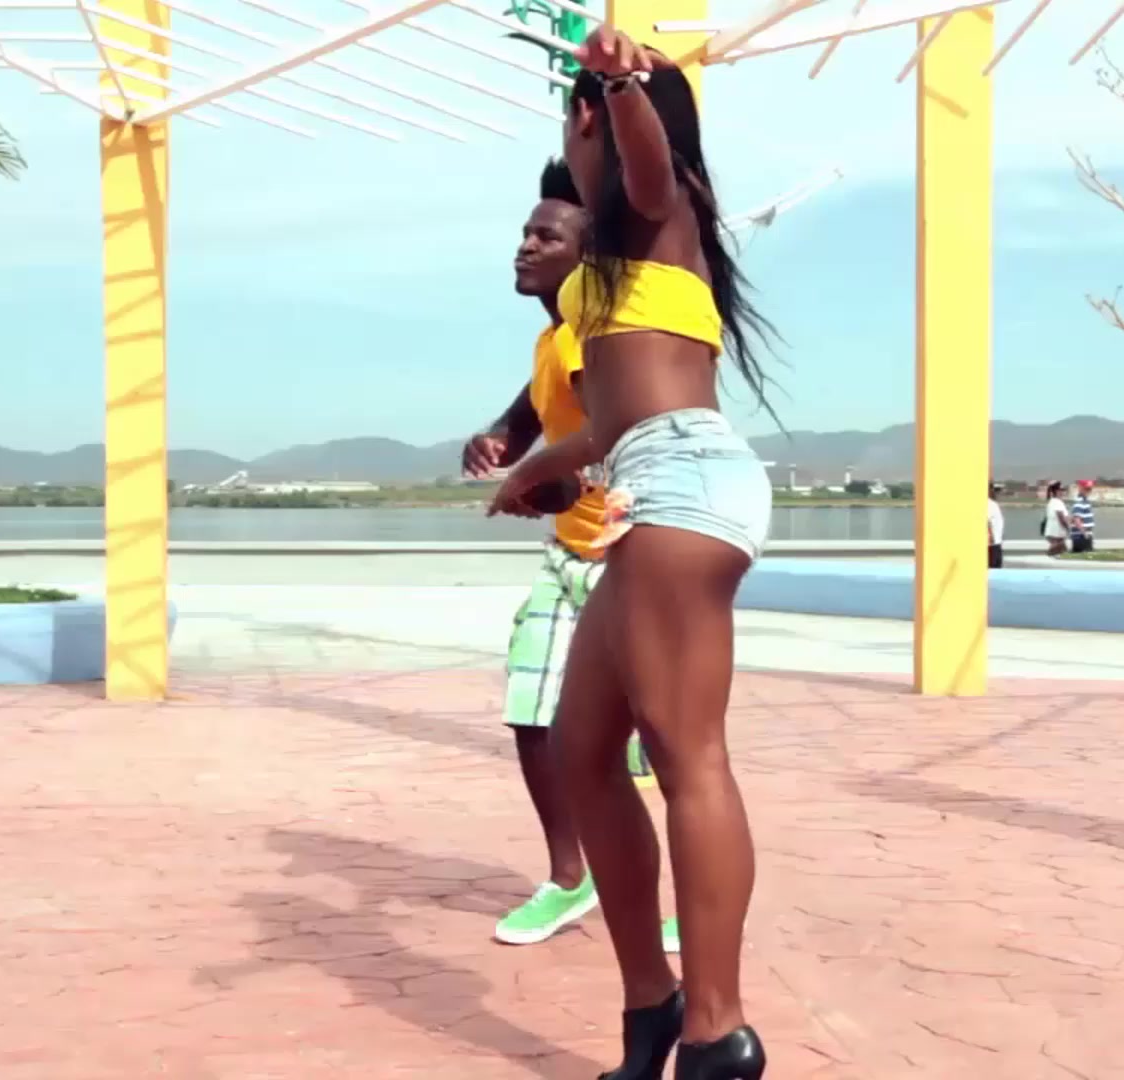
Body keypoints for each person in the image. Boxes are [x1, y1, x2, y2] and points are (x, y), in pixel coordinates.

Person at [486, 27, 774, 1080]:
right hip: (647, 481)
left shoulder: (666, 206)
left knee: (688, 755)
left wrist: (618, 85)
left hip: (687, 484)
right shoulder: (608, 269)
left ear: (590, 119)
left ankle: (716, 1032)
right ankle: (652, 1009)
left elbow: (646, 164)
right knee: (581, 747)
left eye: (585, 118)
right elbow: (610, 425)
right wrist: (533, 470)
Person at [463, 160, 681, 955]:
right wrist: (497, 441)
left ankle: (690, 894)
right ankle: (569, 879)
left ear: (587, 256)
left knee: (665, 738)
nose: (525, 246)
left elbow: (607, 438)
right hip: (570, 556)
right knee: (532, 712)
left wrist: (540, 483)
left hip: (631, 554)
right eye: (525, 232)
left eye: (546, 237)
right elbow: (531, 414)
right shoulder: (552, 339)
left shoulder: (599, 335)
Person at [1043, 481, 1072, 556]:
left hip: (1054, 532)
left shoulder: (1052, 502)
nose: (1063, 492)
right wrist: (1068, 528)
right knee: (1056, 551)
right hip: (1056, 533)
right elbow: (1061, 518)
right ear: (1056, 491)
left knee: (1062, 552)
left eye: (1063, 490)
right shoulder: (1057, 502)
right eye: (1061, 490)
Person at [1069, 480, 1097, 554]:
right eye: (1087, 489)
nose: (1089, 491)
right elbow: (1077, 519)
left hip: (1085, 534)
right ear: (1081, 489)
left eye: (1090, 489)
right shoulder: (1079, 502)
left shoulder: (1085, 502)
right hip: (1081, 535)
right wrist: (1085, 533)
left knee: (1087, 553)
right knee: (1084, 553)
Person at [987, 483, 1005, 569]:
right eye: (995, 490)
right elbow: (987, 521)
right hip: (991, 545)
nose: (997, 493)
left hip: (996, 543)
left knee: (996, 569)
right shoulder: (989, 504)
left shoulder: (993, 504)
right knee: (992, 570)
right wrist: (991, 538)